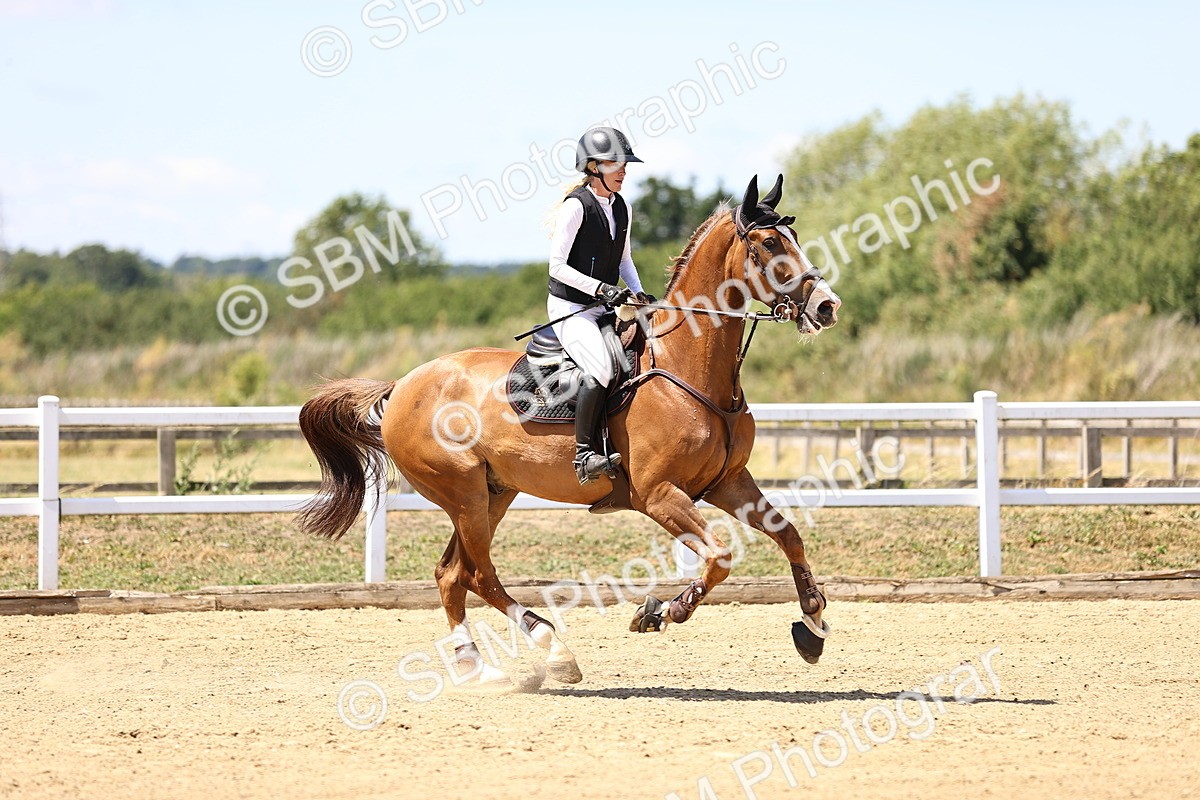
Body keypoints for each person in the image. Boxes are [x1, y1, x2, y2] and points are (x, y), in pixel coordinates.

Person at [547, 126, 656, 485]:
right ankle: (583, 456)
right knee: (601, 369)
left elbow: (624, 260)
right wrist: (602, 289)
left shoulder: (620, 206)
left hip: (602, 306)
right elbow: (557, 267)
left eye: (624, 163)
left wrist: (638, 293)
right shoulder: (575, 207)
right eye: (615, 163)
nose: (623, 169)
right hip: (570, 309)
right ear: (593, 166)